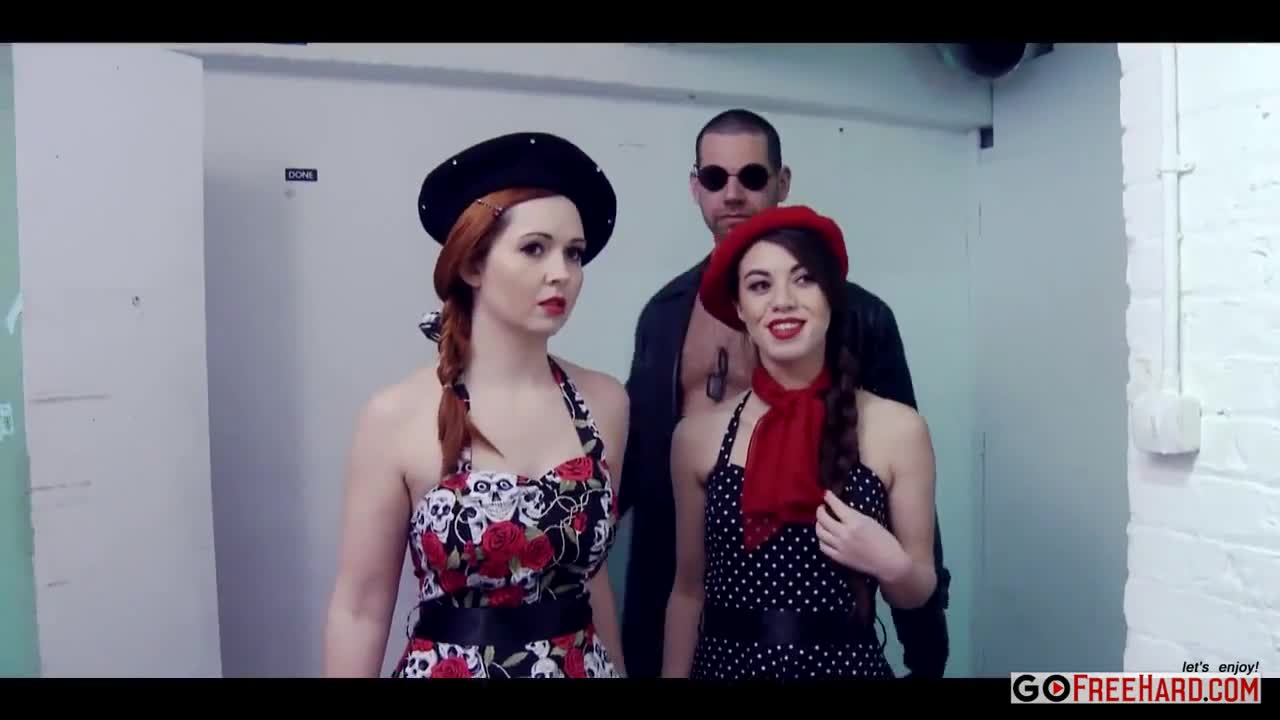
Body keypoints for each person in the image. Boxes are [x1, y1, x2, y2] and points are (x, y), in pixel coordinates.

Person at [618, 108, 951, 679]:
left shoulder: (865, 322)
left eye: (751, 177)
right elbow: (638, 466)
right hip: (706, 609)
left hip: (841, 632)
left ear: (781, 181)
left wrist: (924, 644)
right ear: (696, 187)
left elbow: (909, 507)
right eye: (715, 178)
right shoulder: (665, 317)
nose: (732, 194)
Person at [322, 131, 630, 679]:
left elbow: (593, 576)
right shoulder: (397, 416)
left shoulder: (604, 403)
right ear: (473, 265)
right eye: (534, 248)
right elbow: (360, 608)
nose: (561, 272)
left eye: (574, 253)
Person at [660, 204, 938, 679]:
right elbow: (688, 591)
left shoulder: (898, 429)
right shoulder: (697, 437)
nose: (782, 301)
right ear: (740, 309)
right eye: (760, 285)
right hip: (725, 668)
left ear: (831, 295)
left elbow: (917, 589)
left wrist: (892, 564)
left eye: (804, 279)